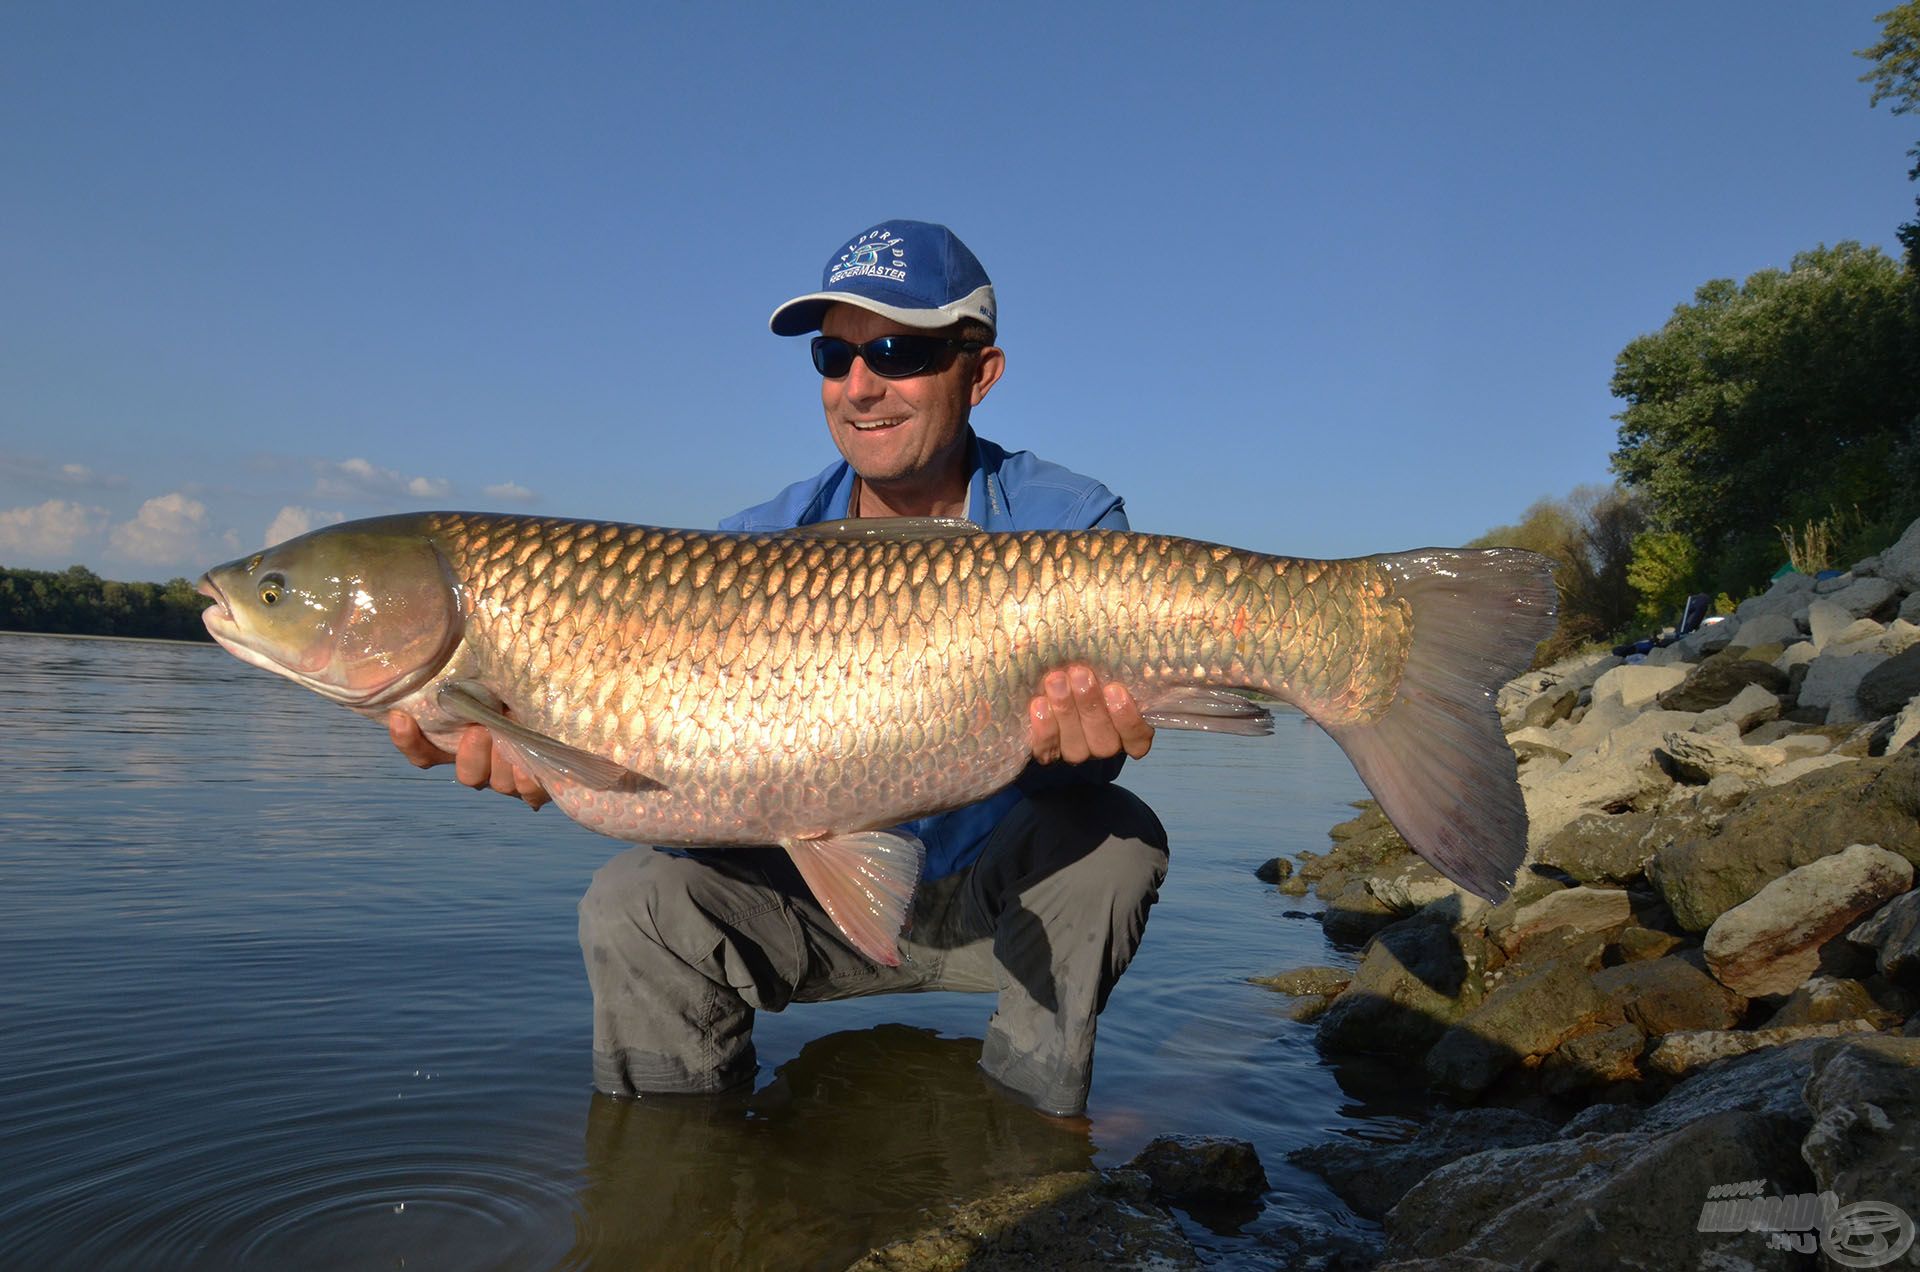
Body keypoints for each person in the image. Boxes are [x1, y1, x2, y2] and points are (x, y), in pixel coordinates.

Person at [388, 219, 1167, 1118]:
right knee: (632, 899)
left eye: (896, 350)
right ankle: (669, 1170)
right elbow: (699, 792)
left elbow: (1105, 748)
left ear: (980, 372)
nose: (860, 387)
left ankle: (1034, 1143)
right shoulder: (751, 551)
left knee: (1115, 838)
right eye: (833, 359)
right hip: (812, 905)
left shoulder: (1066, 526)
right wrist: (552, 766)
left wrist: (1088, 747)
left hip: (997, 899)